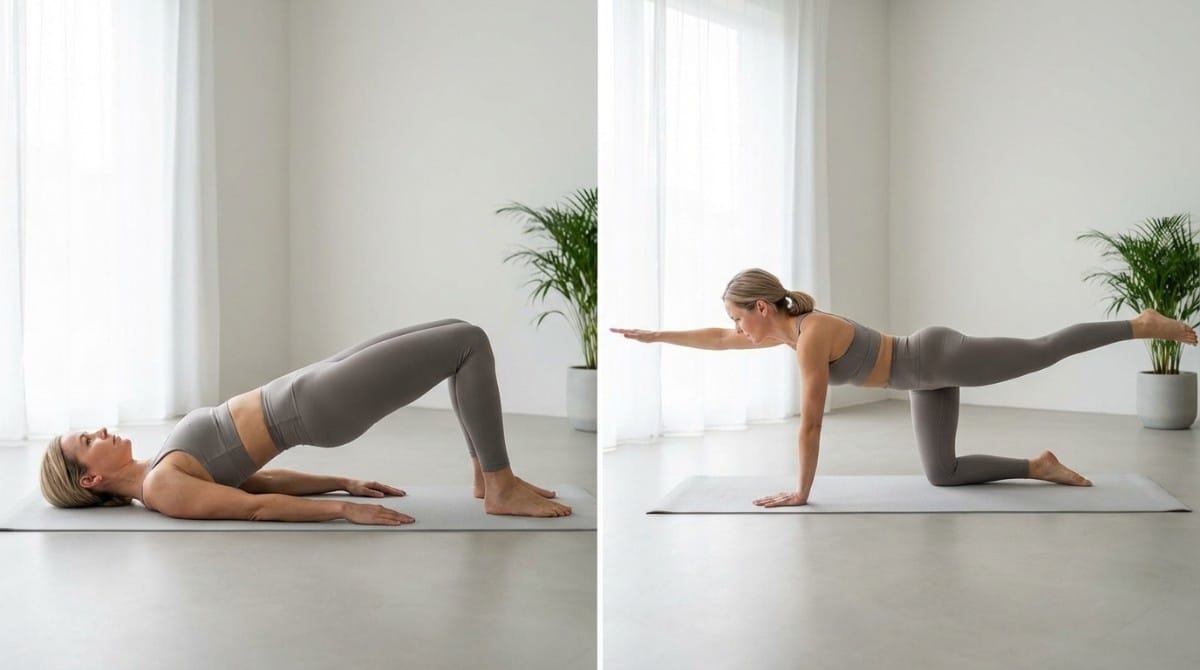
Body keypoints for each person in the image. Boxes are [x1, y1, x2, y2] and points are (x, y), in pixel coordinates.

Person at [612, 268, 1198, 507]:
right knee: (941, 474)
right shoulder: (784, 333)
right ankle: (1037, 464)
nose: (738, 328)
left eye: (741, 317)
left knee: (1043, 350)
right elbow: (719, 339)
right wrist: (655, 335)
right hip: (922, 379)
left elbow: (811, 422)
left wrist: (800, 493)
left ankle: (1138, 325)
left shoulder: (811, 337)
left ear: (761, 307)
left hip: (936, 355)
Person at [40, 319, 573, 524]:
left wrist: (342, 481)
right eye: (88, 440)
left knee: (458, 331)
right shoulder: (163, 489)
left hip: (307, 386)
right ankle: (500, 485)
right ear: (91, 479)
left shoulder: (161, 467)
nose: (101, 431)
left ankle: (486, 475)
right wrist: (342, 512)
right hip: (314, 406)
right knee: (469, 344)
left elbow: (258, 478)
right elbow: (256, 507)